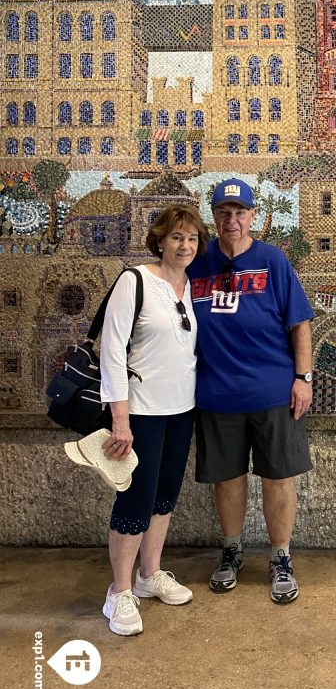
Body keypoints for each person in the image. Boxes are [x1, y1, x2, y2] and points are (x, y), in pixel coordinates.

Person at [188, 177, 314, 604]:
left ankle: (280, 557)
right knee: (226, 479)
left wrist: (304, 378)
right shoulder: (196, 264)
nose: (232, 220)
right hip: (216, 393)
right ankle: (232, 550)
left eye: (240, 212)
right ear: (214, 216)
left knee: (279, 477)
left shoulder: (272, 261)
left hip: (273, 393)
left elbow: (300, 323)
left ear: (252, 216)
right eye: (224, 212)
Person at [99, 204, 208, 636]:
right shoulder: (135, 281)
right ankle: (119, 592)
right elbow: (112, 350)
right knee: (136, 498)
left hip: (182, 408)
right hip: (141, 412)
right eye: (177, 237)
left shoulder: (190, 286)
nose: (184, 246)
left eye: (192, 239)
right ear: (160, 240)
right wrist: (120, 419)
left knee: (164, 495)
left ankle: (150, 575)